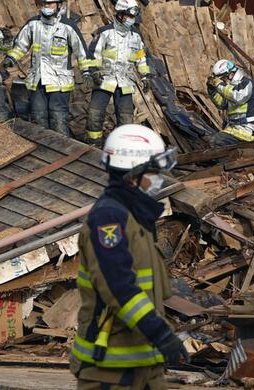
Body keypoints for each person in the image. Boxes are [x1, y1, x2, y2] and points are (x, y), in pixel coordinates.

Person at [70, 124, 188, 389]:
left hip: (145, 365)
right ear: (133, 176)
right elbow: (119, 286)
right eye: (153, 172)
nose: (158, 179)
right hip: (109, 370)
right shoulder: (108, 219)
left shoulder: (135, 216)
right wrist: (160, 333)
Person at [10, 0, 94, 136]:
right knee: (38, 118)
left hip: (59, 83)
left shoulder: (67, 26)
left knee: (58, 119)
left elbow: (81, 52)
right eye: (44, 3)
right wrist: (11, 58)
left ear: (59, 4)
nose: (46, 6)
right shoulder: (33, 24)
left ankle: (63, 153)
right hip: (37, 81)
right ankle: (44, 154)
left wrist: (87, 72)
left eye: (50, 3)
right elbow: (20, 46)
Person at [85, 0, 152, 145]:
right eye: (128, 15)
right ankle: (94, 143)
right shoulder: (104, 33)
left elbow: (141, 58)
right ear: (120, 14)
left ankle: (122, 146)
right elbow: (92, 55)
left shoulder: (136, 37)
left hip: (125, 83)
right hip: (104, 81)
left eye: (133, 16)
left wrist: (146, 76)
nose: (131, 19)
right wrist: (94, 72)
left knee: (126, 117)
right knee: (95, 114)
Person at [207, 59, 254, 146]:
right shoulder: (230, 89)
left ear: (231, 75)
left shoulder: (247, 84)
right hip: (233, 128)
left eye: (222, 79)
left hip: (247, 129)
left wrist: (219, 85)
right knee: (210, 139)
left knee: (216, 141)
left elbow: (237, 96)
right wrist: (212, 90)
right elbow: (222, 104)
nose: (223, 81)